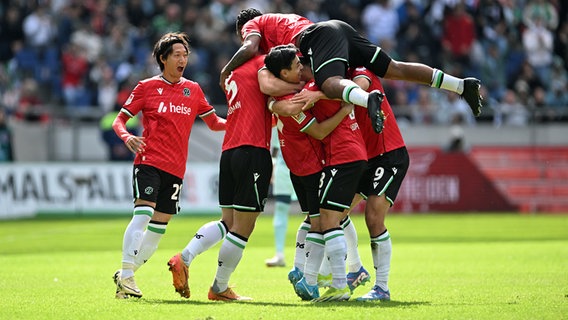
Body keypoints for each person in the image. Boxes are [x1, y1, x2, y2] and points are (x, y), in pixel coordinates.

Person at [220, 8, 483, 134]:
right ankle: (460, 85)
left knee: (328, 82)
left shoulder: (252, 25)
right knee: (393, 68)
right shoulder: (280, 20)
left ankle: (368, 99)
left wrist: (226, 71)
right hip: (338, 28)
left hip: (318, 37)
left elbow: (250, 48)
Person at [166, 52, 298, 301]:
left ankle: (184, 258)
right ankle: (219, 288)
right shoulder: (261, 64)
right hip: (252, 151)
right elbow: (270, 87)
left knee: (227, 221)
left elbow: (251, 108)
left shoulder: (233, 72)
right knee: (243, 227)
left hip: (229, 151)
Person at [111, 32, 226, 299]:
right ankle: (128, 275)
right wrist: (127, 136)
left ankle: (125, 276)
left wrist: (241, 122)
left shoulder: (193, 90)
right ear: (163, 59)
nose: (183, 59)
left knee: (158, 230)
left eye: (185, 54)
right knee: (142, 216)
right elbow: (119, 120)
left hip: (175, 169)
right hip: (148, 162)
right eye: (177, 54)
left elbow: (213, 122)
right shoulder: (146, 87)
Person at [265, 45, 368, 302]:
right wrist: (344, 109)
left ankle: (314, 275)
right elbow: (319, 131)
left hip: (306, 167)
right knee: (322, 220)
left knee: (324, 220)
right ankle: (318, 273)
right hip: (310, 167)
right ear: (285, 72)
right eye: (296, 65)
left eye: (303, 64)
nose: (301, 67)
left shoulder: (284, 95)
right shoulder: (294, 100)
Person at [347, 66, 410, 301]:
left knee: (373, 217)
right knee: (333, 212)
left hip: (388, 153)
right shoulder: (334, 75)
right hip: (364, 157)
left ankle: (382, 288)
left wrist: (323, 92)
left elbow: (360, 87)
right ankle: (355, 270)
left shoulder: (360, 69)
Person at [265, 127, 296, 267]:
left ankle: (314, 256)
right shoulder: (279, 116)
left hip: (305, 167)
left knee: (313, 212)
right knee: (281, 208)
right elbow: (275, 148)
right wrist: (272, 165)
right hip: (283, 169)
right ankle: (279, 254)